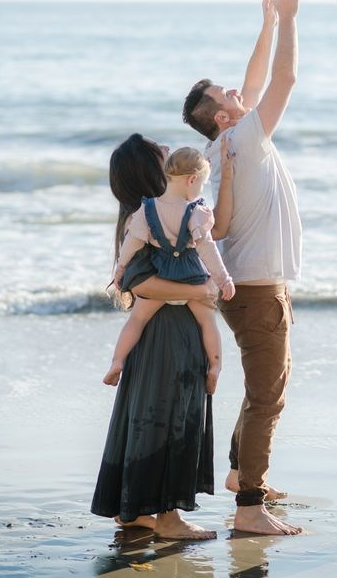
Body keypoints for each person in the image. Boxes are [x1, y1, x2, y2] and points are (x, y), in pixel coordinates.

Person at [182, 0, 303, 536]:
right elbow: (283, 77)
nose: (238, 92)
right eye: (228, 95)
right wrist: (293, 19)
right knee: (267, 397)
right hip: (257, 291)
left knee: (264, 390)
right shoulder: (245, 139)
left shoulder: (224, 142)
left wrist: (269, 21)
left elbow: (256, 81)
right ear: (224, 115)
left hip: (251, 287)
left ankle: (239, 474)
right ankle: (250, 506)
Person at [91, 133, 233, 540]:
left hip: (153, 332)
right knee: (172, 417)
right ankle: (169, 518)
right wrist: (202, 291)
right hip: (169, 333)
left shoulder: (149, 217)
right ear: (151, 170)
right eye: (161, 153)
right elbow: (142, 285)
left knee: (146, 417)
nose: (169, 152)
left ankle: (135, 510)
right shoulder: (152, 216)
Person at [104, 146, 235, 393]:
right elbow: (208, 250)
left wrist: (120, 269)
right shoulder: (197, 212)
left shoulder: (147, 210)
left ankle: (117, 361)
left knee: (137, 319)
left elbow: (132, 242)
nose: (199, 190)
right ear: (192, 180)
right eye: (201, 184)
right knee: (208, 322)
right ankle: (215, 367)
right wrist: (224, 279)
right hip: (191, 277)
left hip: (160, 276)